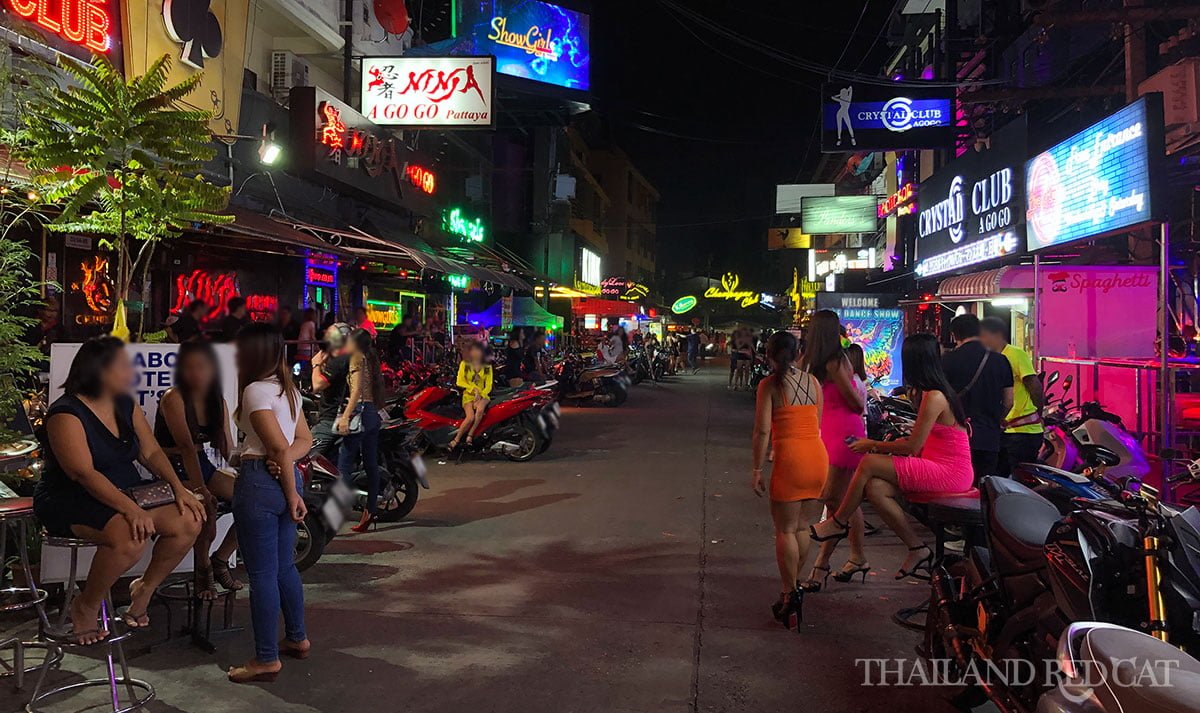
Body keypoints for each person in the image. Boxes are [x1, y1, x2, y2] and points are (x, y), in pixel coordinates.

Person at [33, 337, 205, 643]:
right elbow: (82, 474)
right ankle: (85, 605)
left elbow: (150, 452)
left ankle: (144, 589)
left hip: (126, 491)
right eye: (123, 367)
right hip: (71, 496)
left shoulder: (125, 403)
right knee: (130, 534)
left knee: (189, 519)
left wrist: (179, 488)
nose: (131, 373)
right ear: (99, 371)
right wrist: (132, 509)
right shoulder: (65, 413)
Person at [810, 334, 973, 581]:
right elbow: (918, 444)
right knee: (875, 487)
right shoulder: (932, 394)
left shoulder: (935, 396)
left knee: (868, 462)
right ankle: (917, 547)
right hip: (937, 464)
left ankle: (839, 521)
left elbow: (912, 446)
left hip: (950, 472)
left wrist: (872, 445)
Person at [228, 323, 313, 683]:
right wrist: (288, 469)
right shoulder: (287, 390)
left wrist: (283, 469)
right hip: (283, 479)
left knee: (261, 574)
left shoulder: (254, 391)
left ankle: (266, 658)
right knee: (284, 568)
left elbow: (277, 446)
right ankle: (297, 637)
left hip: (261, 483)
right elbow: (303, 440)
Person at [750, 331, 827, 629]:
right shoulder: (814, 383)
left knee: (784, 529)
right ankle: (795, 588)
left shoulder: (769, 385)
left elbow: (762, 431)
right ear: (797, 353)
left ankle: (788, 593)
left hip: (790, 458)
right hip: (816, 457)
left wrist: (757, 467)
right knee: (803, 527)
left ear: (769, 354)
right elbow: (817, 423)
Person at [156, 342, 241, 598]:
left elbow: (227, 447)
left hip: (201, 462)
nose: (196, 373)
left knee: (254, 499)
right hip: (171, 466)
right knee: (206, 508)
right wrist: (201, 489)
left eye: (201, 367)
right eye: (189, 367)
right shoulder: (174, 397)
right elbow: (185, 448)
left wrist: (253, 467)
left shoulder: (218, 401)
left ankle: (221, 559)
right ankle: (202, 570)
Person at [799, 311, 869, 592]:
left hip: (844, 435)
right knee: (843, 502)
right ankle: (856, 557)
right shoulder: (818, 362)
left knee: (834, 500)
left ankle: (821, 566)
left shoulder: (834, 361)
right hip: (829, 433)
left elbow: (855, 403)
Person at [942, 314, 1014, 482]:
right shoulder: (1000, 360)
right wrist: (999, 419)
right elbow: (1009, 400)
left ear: (954, 335)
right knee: (985, 486)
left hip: (956, 437)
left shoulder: (947, 361)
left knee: (958, 487)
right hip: (989, 436)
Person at [980, 317, 1045, 475]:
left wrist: (1039, 414)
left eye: (983, 336)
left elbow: (1034, 386)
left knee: (1019, 478)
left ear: (996, 335)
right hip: (1005, 431)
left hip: (1023, 432)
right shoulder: (989, 359)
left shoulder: (1015, 354)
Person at [336, 328, 386, 533]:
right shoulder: (370, 358)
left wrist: (346, 416)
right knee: (371, 464)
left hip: (360, 413)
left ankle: (337, 514)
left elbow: (356, 391)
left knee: (343, 465)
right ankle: (370, 510)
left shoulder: (356, 357)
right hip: (373, 413)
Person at [310, 322, 353, 453]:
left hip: (331, 419)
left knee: (303, 457)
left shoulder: (340, 358)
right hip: (345, 416)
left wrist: (315, 365)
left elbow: (317, 385)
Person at [450, 341, 493, 449]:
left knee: (479, 410)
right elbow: (459, 382)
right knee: (470, 417)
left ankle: (470, 435)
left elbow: (488, 384)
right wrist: (473, 389)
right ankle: (457, 439)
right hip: (468, 395)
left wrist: (481, 395)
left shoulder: (487, 366)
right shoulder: (465, 364)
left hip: (483, 396)